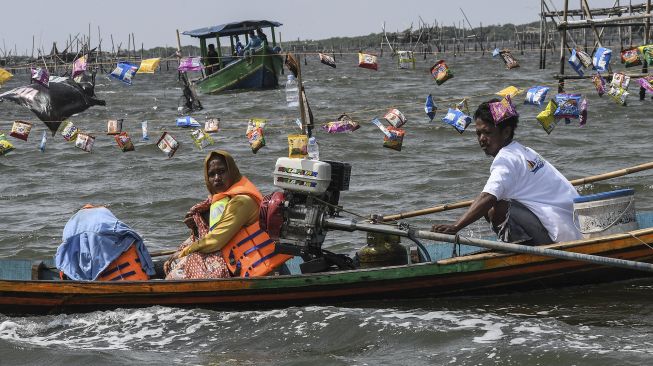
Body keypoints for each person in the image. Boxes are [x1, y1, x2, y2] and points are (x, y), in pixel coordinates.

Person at [431, 99, 582, 245]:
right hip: (576, 229)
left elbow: (488, 197)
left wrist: (456, 226)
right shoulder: (524, 150)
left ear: (506, 132)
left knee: (492, 207)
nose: (482, 139)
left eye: (487, 133)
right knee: (494, 200)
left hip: (559, 238)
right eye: (478, 134)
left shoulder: (506, 159)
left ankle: (520, 251)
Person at [164, 150, 285, 279]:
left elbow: (216, 240)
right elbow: (216, 230)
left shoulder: (241, 201)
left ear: (232, 172)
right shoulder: (223, 199)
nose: (217, 178)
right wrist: (196, 226)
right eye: (212, 174)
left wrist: (185, 252)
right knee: (173, 262)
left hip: (256, 266)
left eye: (221, 172)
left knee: (176, 273)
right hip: (235, 259)